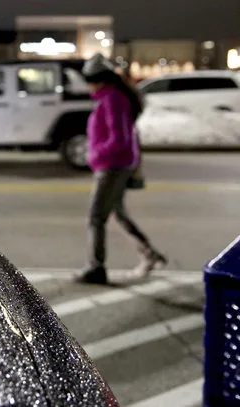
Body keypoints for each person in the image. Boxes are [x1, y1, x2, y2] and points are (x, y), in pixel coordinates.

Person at [76, 53, 166, 285]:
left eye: (89, 79)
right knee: (118, 213)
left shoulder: (112, 100)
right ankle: (150, 254)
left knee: (96, 218)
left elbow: (120, 139)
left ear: (98, 79)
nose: (88, 84)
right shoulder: (110, 98)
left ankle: (96, 268)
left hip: (112, 165)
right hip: (114, 163)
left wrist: (96, 154)